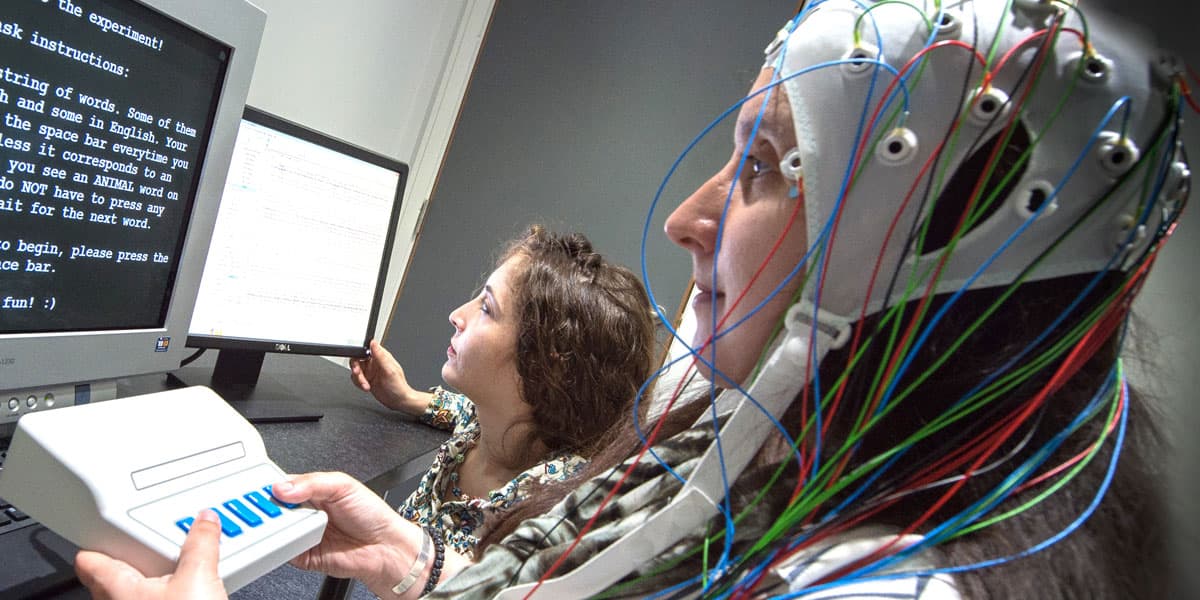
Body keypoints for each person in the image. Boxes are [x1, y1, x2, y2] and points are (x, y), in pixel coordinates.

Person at [77, 0, 1193, 598]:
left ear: (906, 257)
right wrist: (422, 571)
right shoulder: (755, 472)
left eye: (766, 168)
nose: (686, 217)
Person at [350, 224, 658, 556]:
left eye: (486, 308)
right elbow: (459, 409)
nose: (456, 316)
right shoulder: (493, 422)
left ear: (547, 362)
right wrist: (406, 397)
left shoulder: (552, 517)